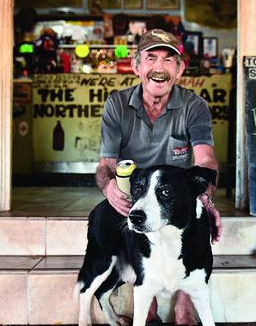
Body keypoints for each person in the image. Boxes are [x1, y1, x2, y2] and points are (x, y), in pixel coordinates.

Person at [95, 28, 222, 325]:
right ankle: (146, 291)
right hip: (135, 191)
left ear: (179, 69)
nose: (159, 67)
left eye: (168, 60)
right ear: (137, 66)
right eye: (151, 58)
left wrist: (208, 199)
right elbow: (105, 165)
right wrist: (109, 188)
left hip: (175, 192)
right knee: (130, 221)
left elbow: (205, 158)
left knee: (195, 218)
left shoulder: (194, 105)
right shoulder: (116, 104)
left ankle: (185, 303)